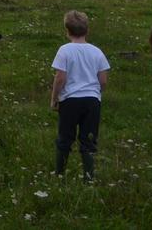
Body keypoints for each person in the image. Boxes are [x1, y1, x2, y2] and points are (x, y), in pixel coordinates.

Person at [50, 10, 110, 180]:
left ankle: (60, 174)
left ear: (67, 31)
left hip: (70, 101)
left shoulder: (64, 50)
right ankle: (89, 177)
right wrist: (97, 94)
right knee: (89, 139)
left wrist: (54, 99)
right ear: (87, 30)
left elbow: (60, 78)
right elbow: (103, 80)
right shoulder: (97, 51)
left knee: (65, 138)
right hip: (92, 101)